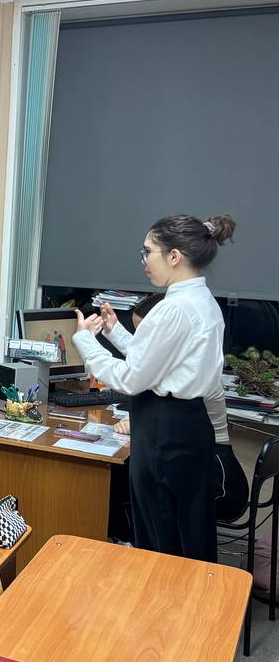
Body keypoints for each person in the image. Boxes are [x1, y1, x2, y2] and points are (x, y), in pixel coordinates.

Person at [74, 213, 237, 562]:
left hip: (164, 431)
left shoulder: (173, 309)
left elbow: (133, 378)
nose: (144, 260)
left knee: (159, 537)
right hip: (189, 426)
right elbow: (161, 361)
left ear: (174, 256)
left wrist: (85, 341)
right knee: (186, 532)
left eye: (148, 251)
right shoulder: (203, 302)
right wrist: (115, 332)